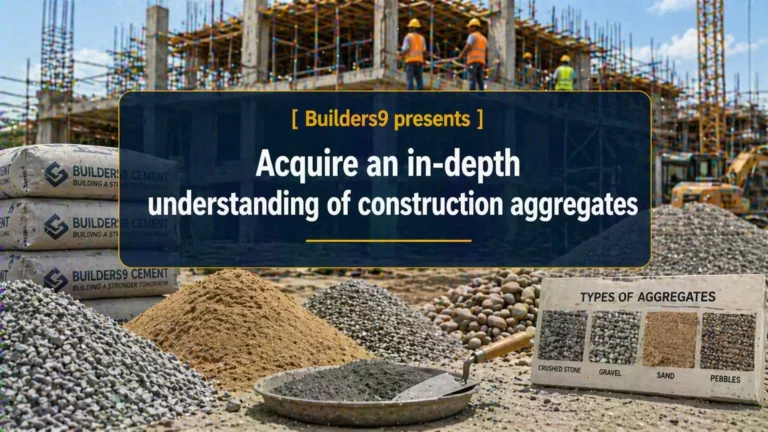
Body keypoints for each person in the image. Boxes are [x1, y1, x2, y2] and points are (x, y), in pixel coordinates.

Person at [459, 18, 487, 91]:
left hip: (473, 61)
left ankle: (472, 91)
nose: (468, 29)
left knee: (472, 77)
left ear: (474, 27)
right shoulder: (484, 38)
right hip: (481, 61)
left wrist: (461, 54)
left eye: (469, 27)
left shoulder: (472, 36)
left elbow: (468, 46)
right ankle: (482, 93)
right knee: (480, 79)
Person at [400, 19, 428, 91]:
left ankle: (410, 95)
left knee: (410, 79)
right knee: (419, 81)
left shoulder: (408, 37)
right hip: (419, 62)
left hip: (410, 62)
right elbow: (424, 51)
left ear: (412, 28)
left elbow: (405, 49)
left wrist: (400, 56)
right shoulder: (422, 38)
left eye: (410, 27)